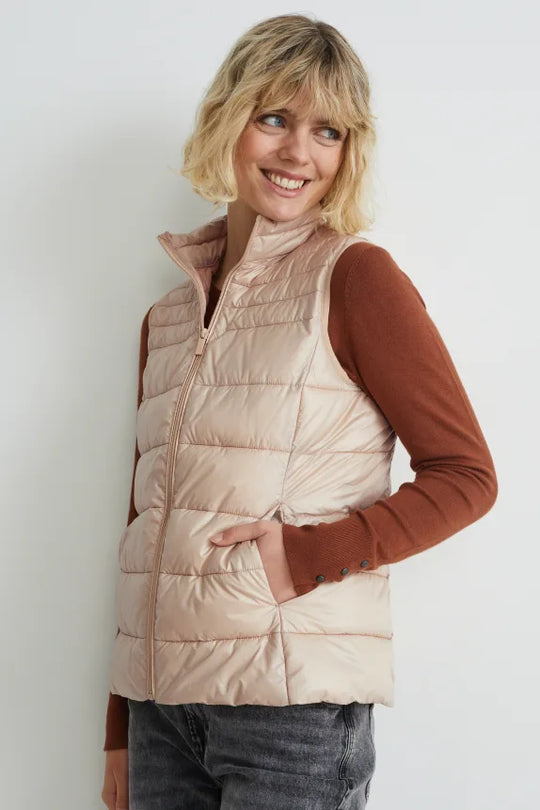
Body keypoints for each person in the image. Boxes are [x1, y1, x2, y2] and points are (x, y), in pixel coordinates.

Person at [101, 13, 498, 810]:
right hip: (160, 714)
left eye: (328, 132)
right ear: (229, 119)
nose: (298, 153)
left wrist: (306, 556)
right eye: (275, 118)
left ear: (348, 153)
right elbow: (145, 524)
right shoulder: (166, 318)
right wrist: (120, 725)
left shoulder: (355, 277)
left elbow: (467, 477)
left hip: (292, 717)